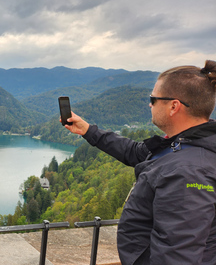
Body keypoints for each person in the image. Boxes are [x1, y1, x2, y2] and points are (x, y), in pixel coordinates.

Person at [63, 60, 216, 265]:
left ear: (173, 106)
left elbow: (177, 256)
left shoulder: (188, 171)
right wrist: (88, 130)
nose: (149, 104)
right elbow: (135, 152)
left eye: (153, 99)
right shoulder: (183, 143)